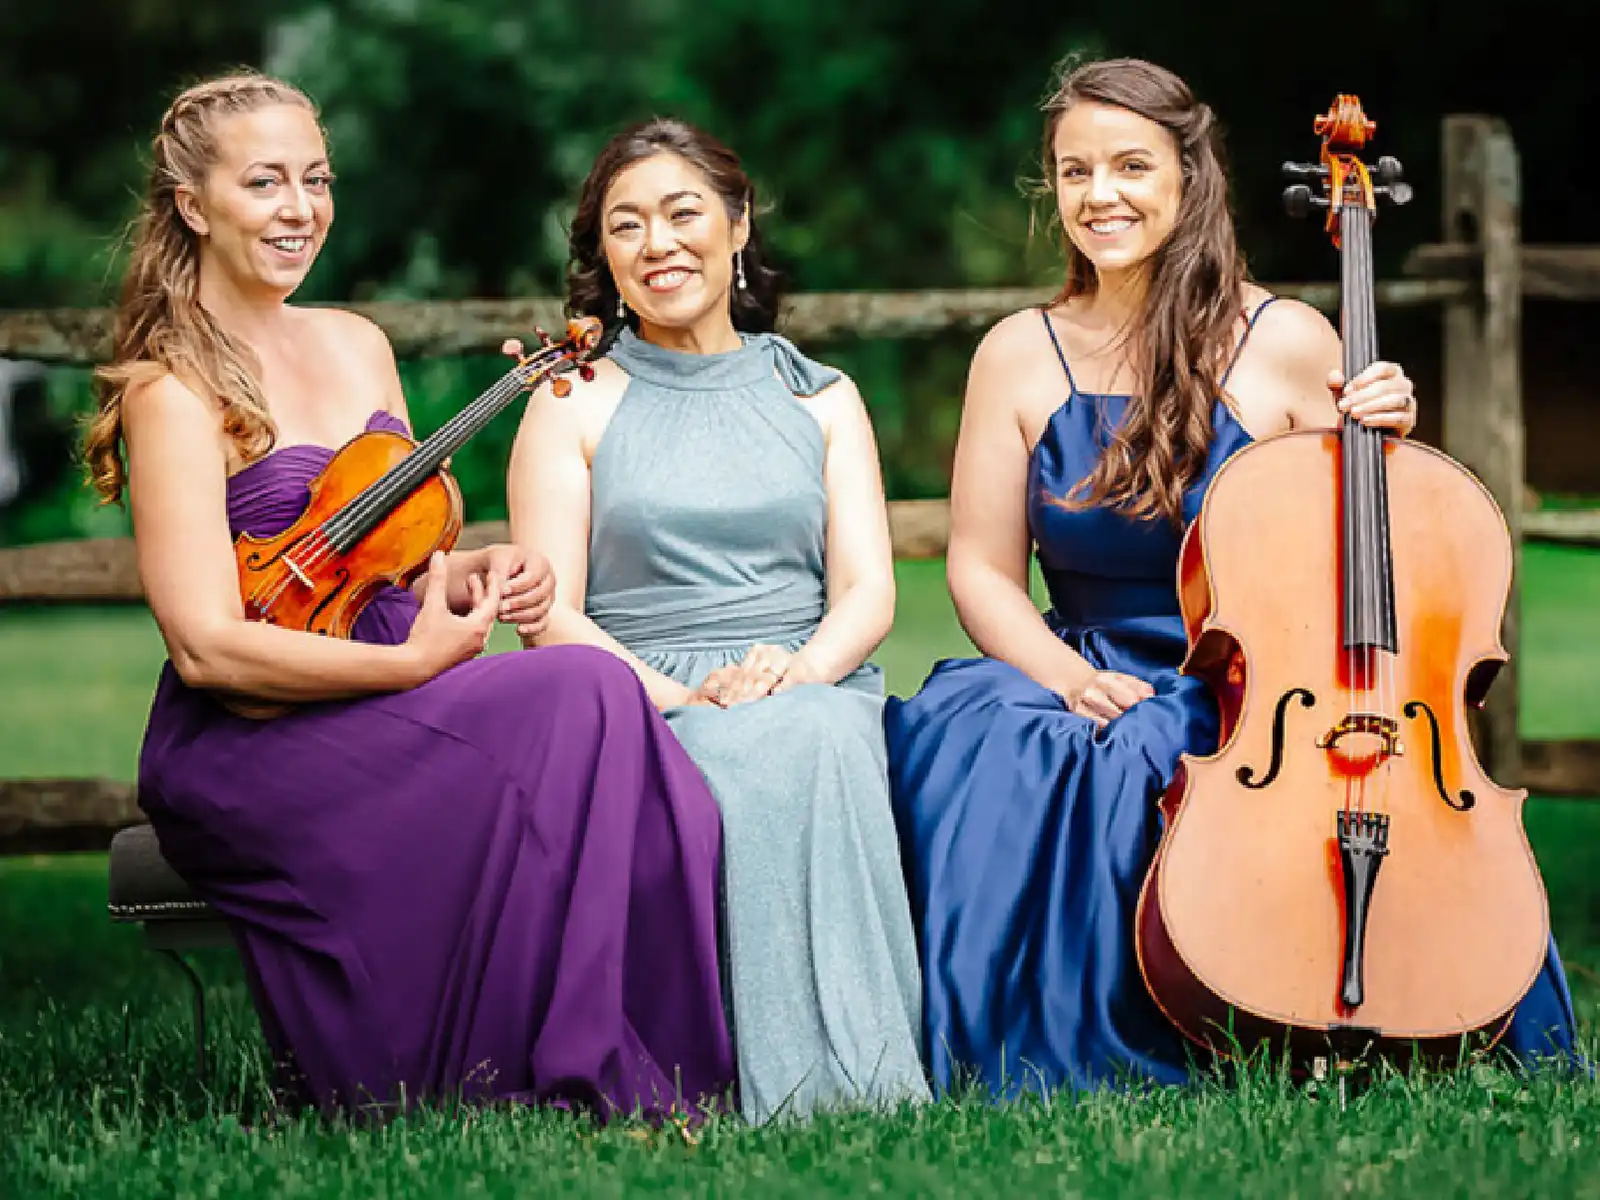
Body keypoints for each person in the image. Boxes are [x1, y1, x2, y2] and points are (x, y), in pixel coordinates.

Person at [882, 56, 1579, 1098]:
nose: (1099, 195)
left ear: (1187, 175)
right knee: (997, 742)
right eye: (1074, 172)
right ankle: (1058, 1043)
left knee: (1161, 747)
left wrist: (1387, 448)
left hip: (1263, 690)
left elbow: (1377, 573)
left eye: (1128, 165)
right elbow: (983, 570)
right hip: (1087, 659)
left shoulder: (1288, 340)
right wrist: (1065, 679)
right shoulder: (1017, 355)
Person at [83, 71, 735, 1120]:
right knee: (582, 697)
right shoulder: (171, 388)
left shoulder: (356, 343)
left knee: (581, 695)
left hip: (387, 679)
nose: (300, 209)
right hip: (259, 734)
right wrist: (408, 663)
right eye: (265, 183)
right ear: (195, 204)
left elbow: (393, 567)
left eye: (316, 180)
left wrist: (473, 574)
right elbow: (207, 646)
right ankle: (544, 1069)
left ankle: (625, 1055)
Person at [505, 118, 930, 1123]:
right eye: (627, 225)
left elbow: (869, 591)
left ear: (737, 227)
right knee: (762, 747)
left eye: (682, 213)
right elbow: (550, 613)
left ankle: (860, 1081)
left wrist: (794, 672)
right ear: (602, 255)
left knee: (817, 734)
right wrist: (687, 695)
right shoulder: (567, 400)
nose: (658, 244)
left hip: (807, 671)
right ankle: (794, 1084)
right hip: (635, 696)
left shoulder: (821, 398)